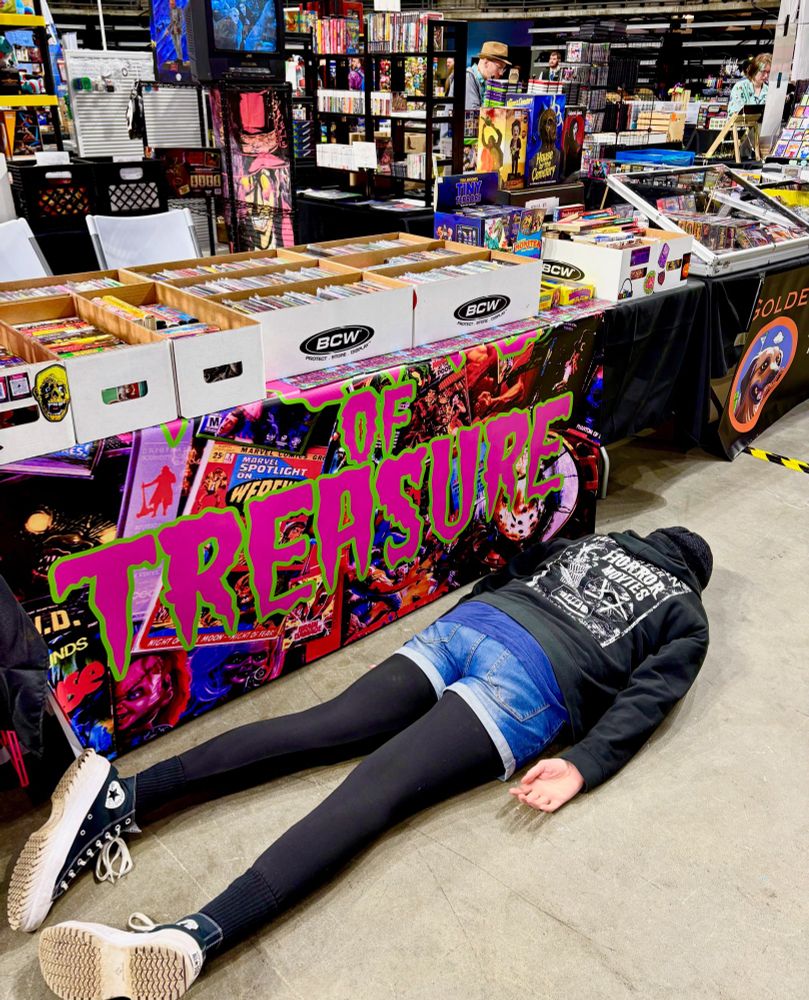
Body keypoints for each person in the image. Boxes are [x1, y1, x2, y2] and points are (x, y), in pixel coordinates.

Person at [9, 527, 712, 1000]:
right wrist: (583, 763)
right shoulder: (686, 611)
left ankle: (122, 794)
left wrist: (464, 621)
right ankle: (197, 934)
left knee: (321, 725)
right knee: (376, 790)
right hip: (530, 682)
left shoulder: (596, 540)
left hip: (472, 627)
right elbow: (650, 695)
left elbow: (511, 567)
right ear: (693, 575)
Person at [464, 40, 511, 110]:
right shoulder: (467, 78)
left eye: (503, 69)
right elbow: (473, 113)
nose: (501, 73)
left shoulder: (484, 82)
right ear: (486, 62)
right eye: (499, 67)